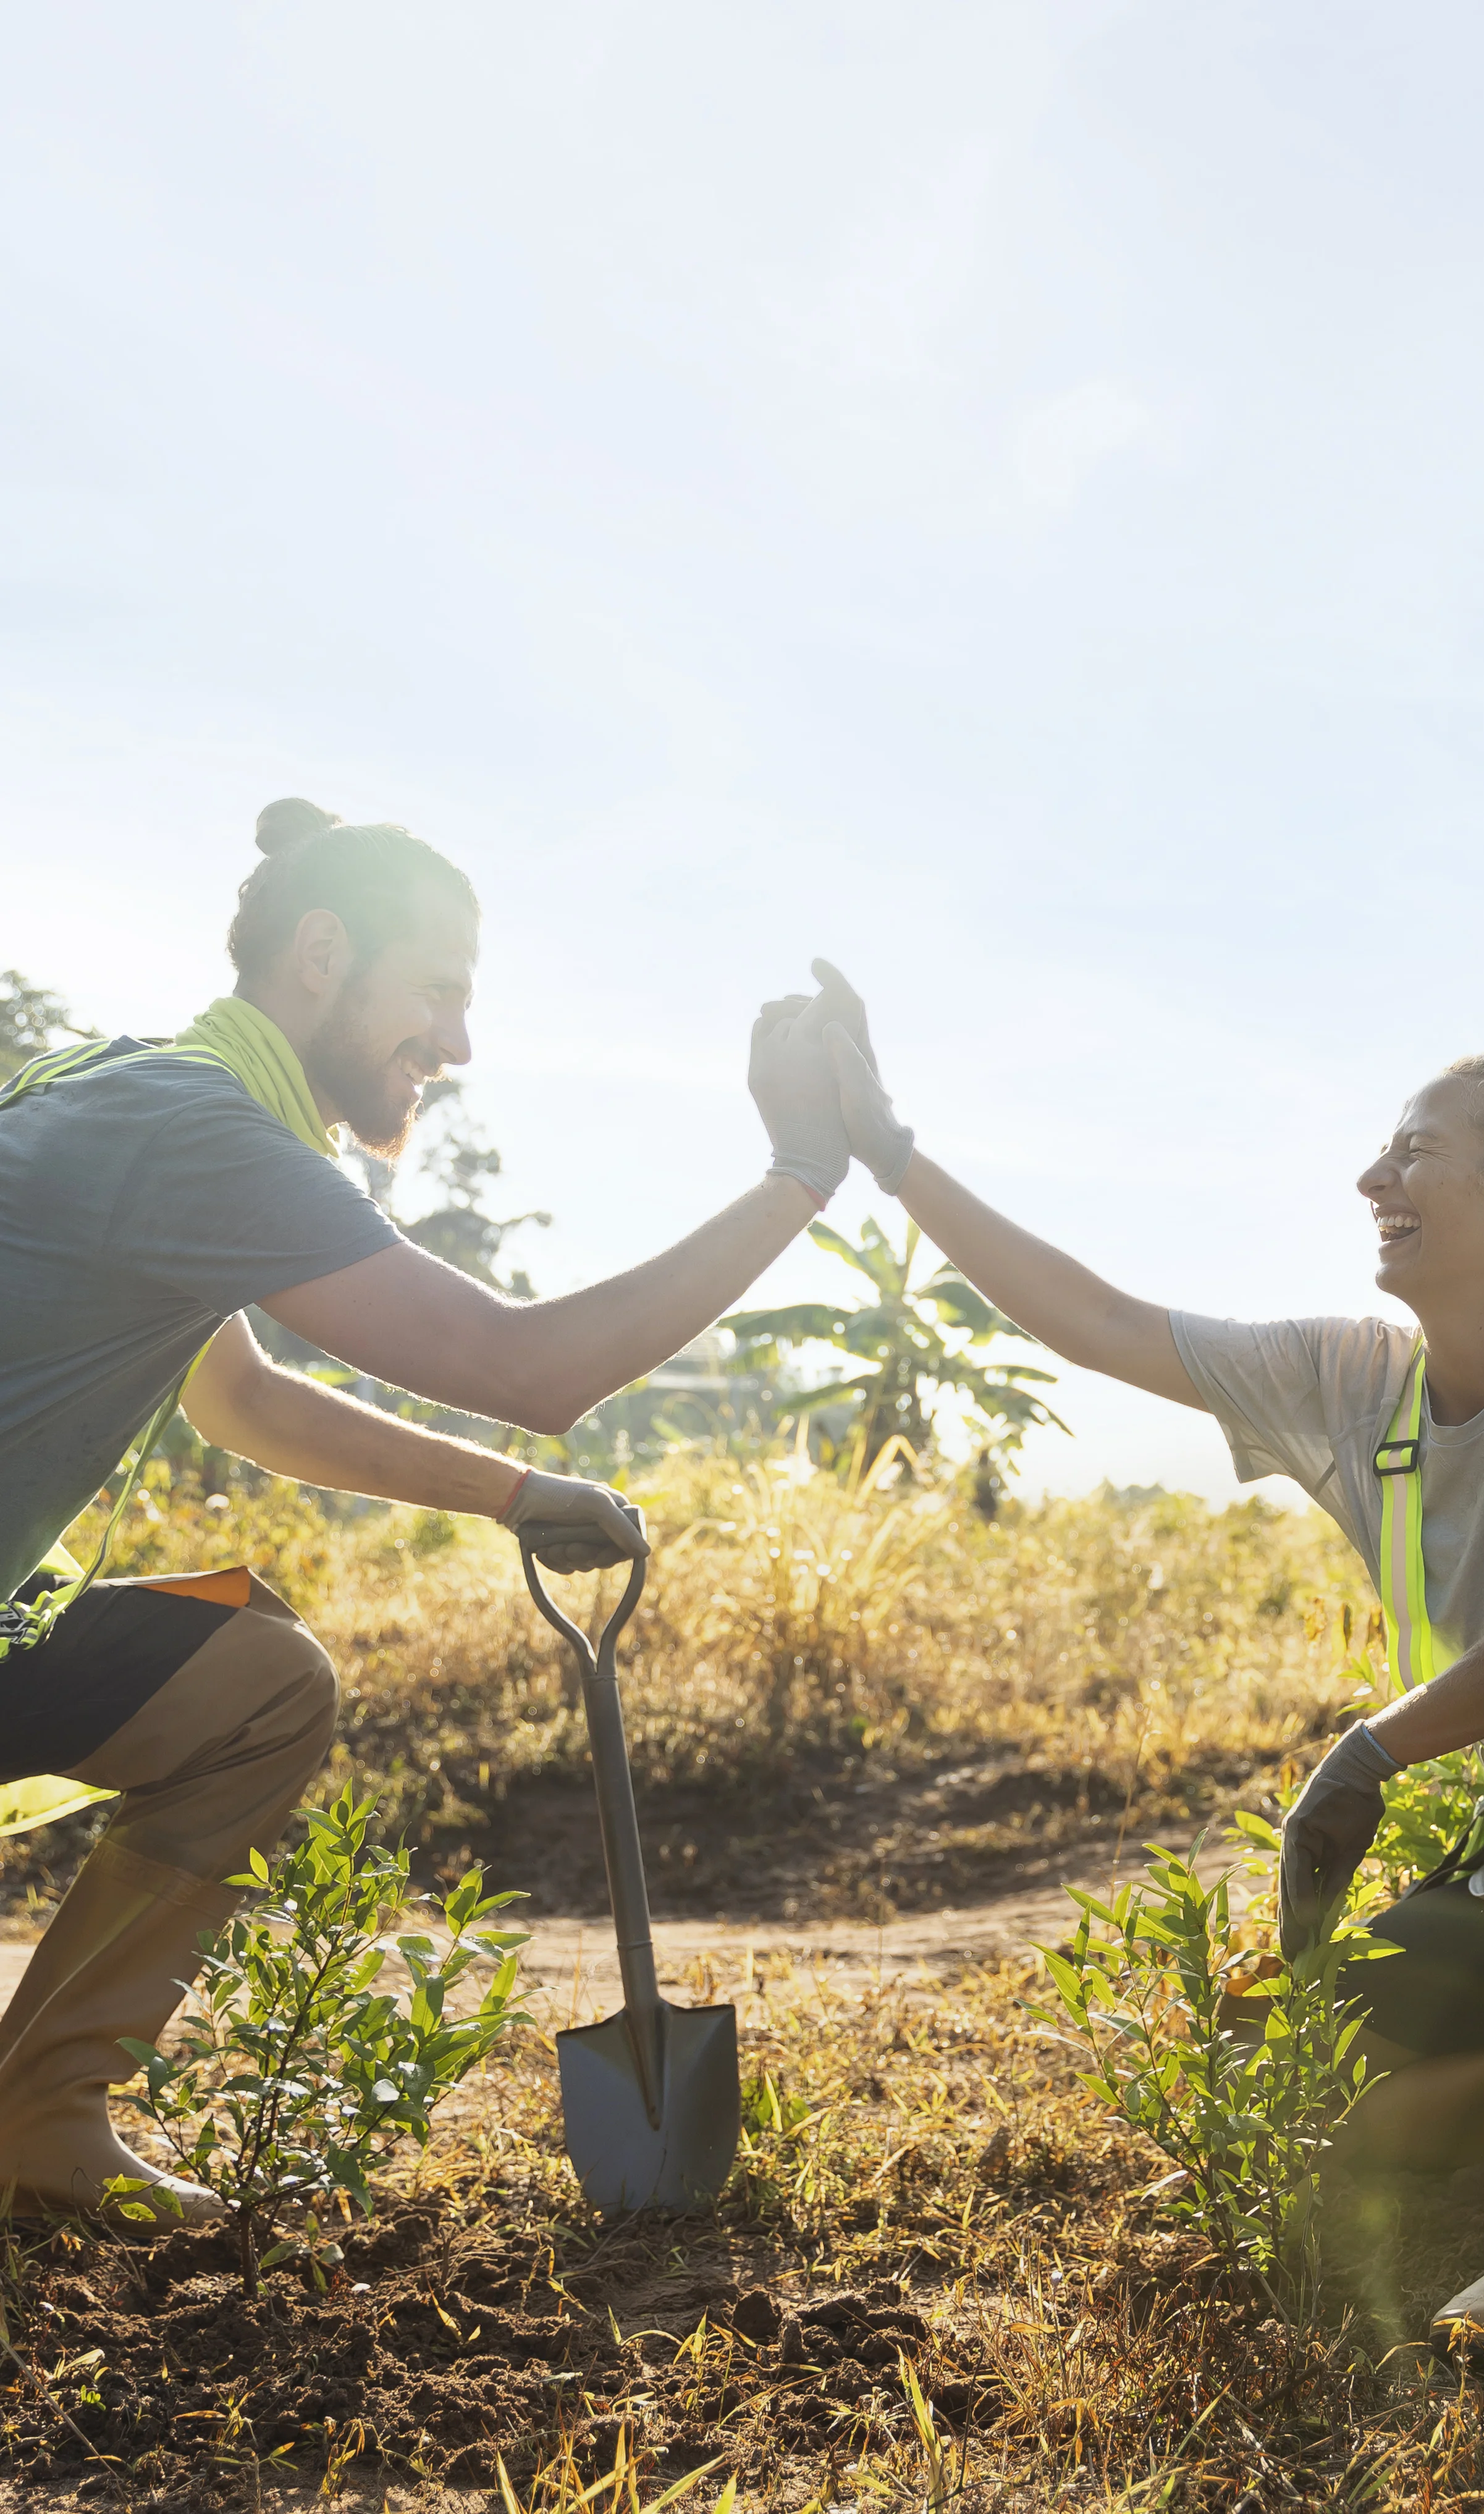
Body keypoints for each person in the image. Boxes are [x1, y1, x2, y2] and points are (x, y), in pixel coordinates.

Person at [0, 798, 851, 2223]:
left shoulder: (140, 1098)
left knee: (253, 1685)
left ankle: (35, 2124)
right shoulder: (187, 1130)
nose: (458, 1046)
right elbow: (533, 1364)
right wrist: (801, 1176)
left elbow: (247, 1402)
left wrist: (513, 1496)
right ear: (321, 954)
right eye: (440, 993)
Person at [809, 959, 1484, 2352]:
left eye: (1415, 1153)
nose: (1368, 1177)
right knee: (1289, 2056)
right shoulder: (1351, 1380)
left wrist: (1375, 1742)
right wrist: (888, 1151)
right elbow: (1095, 1323)